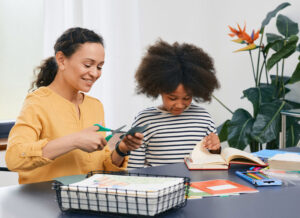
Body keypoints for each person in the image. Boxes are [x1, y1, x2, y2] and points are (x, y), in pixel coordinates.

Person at [5, 27, 143, 184]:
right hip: (46, 201)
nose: (95, 73)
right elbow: (14, 158)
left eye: (99, 67)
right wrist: (74, 141)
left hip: (89, 200)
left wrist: (121, 149)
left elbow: (102, 168)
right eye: (87, 65)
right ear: (62, 60)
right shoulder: (37, 103)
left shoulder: (95, 106)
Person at [127, 40, 220, 169]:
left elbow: (214, 160)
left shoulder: (203, 118)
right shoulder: (145, 120)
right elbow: (134, 167)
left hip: (196, 185)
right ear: (158, 89)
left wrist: (216, 148)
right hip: (158, 186)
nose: (180, 105)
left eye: (187, 98)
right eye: (172, 98)